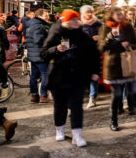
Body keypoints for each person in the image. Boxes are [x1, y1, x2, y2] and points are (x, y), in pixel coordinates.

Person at [41, 9, 100, 147]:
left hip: (77, 76)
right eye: (72, 19)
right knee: (60, 106)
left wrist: (95, 71)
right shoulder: (55, 33)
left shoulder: (82, 35)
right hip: (59, 77)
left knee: (77, 107)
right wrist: (55, 49)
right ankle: (59, 129)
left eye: (77, 19)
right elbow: (43, 52)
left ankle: (77, 135)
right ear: (65, 21)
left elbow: (94, 54)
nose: (76, 21)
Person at [98, 7, 136, 132]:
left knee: (134, 94)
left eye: (121, 14)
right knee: (117, 95)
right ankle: (113, 121)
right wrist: (109, 37)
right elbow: (101, 48)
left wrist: (128, 45)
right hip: (114, 67)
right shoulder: (105, 28)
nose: (120, 16)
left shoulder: (128, 27)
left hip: (129, 65)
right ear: (111, 15)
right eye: (117, 14)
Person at [26, 9, 51, 103]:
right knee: (46, 74)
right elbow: (38, 40)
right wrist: (48, 40)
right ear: (39, 16)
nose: (47, 17)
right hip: (40, 54)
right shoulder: (39, 26)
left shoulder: (30, 24)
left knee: (33, 76)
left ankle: (34, 96)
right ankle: (43, 95)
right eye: (46, 15)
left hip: (33, 54)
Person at [80, 5, 102, 108]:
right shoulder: (79, 24)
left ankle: (92, 98)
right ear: (83, 13)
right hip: (82, 53)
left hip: (94, 52)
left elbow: (105, 35)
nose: (89, 14)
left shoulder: (98, 23)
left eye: (91, 12)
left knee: (94, 75)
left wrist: (100, 38)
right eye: (87, 12)